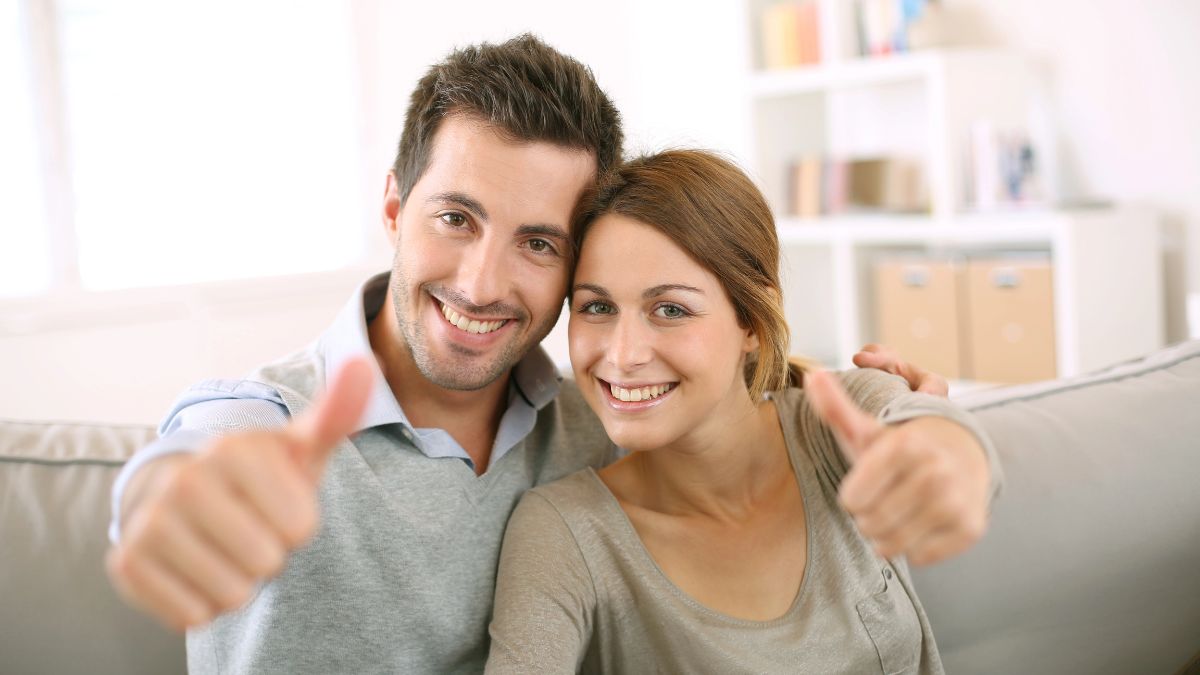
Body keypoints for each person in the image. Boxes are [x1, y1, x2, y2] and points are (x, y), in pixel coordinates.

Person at [105, 36, 953, 672]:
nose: (482, 283)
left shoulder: (601, 423)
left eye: (538, 243)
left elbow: (724, 385)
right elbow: (186, 463)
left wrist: (885, 395)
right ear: (395, 208)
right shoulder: (266, 421)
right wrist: (168, 497)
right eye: (456, 218)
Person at [486, 150, 1001, 674]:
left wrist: (952, 456)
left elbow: (937, 432)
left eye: (670, 310)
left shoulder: (834, 423)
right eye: (597, 307)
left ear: (751, 322)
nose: (622, 355)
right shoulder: (566, 533)